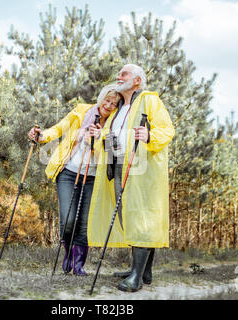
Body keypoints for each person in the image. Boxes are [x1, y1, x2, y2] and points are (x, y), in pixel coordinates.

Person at [87, 64, 175, 292]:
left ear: (137, 80)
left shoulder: (149, 100)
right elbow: (116, 136)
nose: (119, 76)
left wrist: (149, 135)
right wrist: (101, 136)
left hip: (141, 170)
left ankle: (136, 277)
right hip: (117, 166)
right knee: (128, 217)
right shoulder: (119, 108)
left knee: (140, 217)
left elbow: (167, 129)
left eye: (124, 73)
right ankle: (143, 270)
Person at [28, 84, 121, 276]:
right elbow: (60, 128)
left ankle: (78, 264)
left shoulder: (115, 122)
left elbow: (115, 149)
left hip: (94, 176)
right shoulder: (81, 111)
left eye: (114, 103)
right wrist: (42, 136)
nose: (109, 105)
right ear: (101, 98)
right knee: (68, 219)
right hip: (69, 172)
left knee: (83, 223)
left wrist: (100, 137)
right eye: (107, 100)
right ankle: (68, 253)